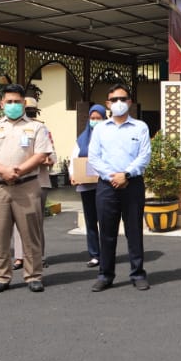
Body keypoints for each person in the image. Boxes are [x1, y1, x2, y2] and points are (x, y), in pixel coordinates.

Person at [0, 84, 55, 294]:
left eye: (17, 102)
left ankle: (34, 275)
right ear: (1, 104)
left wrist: (17, 171)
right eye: (9, 102)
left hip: (27, 186)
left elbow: (40, 155)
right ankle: (1, 276)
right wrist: (4, 171)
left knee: (31, 234)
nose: (13, 105)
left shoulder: (37, 127)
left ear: (24, 103)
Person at [88, 83, 151, 292]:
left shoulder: (140, 127)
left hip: (132, 184)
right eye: (114, 100)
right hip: (107, 186)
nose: (119, 103)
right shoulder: (100, 130)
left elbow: (144, 156)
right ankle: (105, 275)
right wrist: (111, 176)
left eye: (123, 99)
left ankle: (137, 273)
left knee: (134, 230)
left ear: (130, 102)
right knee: (106, 232)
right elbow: (94, 158)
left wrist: (126, 174)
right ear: (108, 103)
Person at [12, 97, 55, 269]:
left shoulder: (42, 129)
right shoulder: (11, 129)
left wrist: (38, 160)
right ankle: (19, 257)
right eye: (26, 110)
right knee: (17, 220)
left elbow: (51, 157)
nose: (28, 114)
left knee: (35, 222)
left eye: (31, 111)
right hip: (16, 180)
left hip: (38, 181)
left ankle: (39, 256)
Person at [71, 105, 107, 268]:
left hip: (105, 185)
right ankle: (94, 254)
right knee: (91, 221)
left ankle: (107, 253)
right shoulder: (82, 139)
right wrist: (73, 175)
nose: (95, 121)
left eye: (98, 118)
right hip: (86, 186)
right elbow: (74, 159)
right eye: (92, 118)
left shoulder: (109, 137)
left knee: (106, 221)